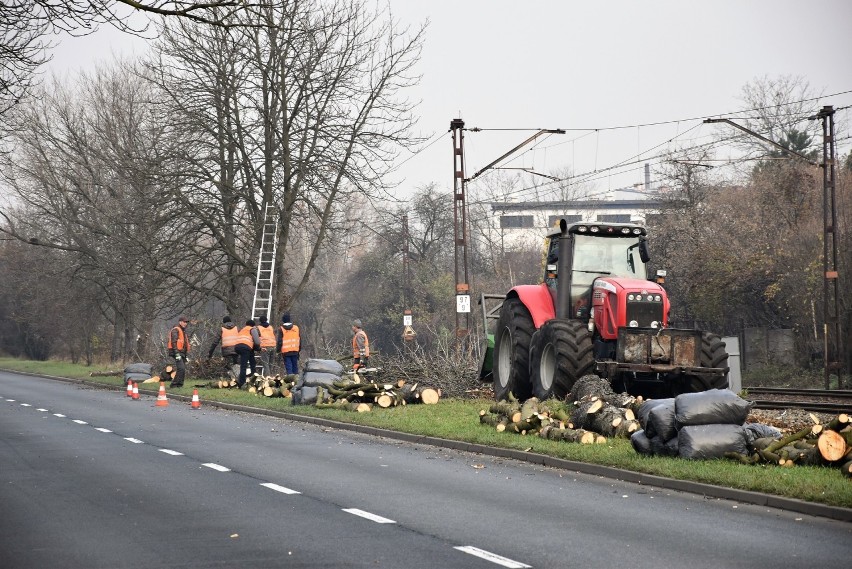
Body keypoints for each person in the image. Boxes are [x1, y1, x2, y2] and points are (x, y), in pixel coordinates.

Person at [233, 319, 258, 388]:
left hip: (237, 347)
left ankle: (251, 376)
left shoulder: (242, 330)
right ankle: (242, 383)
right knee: (244, 366)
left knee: (252, 361)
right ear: (253, 325)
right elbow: (257, 342)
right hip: (245, 348)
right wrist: (258, 348)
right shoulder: (252, 329)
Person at [167, 315, 191, 388]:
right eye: (184, 322)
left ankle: (179, 384)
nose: (185, 323)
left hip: (182, 353)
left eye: (186, 322)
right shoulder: (176, 330)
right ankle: (174, 384)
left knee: (182, 369)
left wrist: (185, 354)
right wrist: (176, 353)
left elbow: (184, 344)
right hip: (177, 352)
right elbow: (174, 342)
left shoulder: (183, 331)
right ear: (180, 322)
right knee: (181, 368)